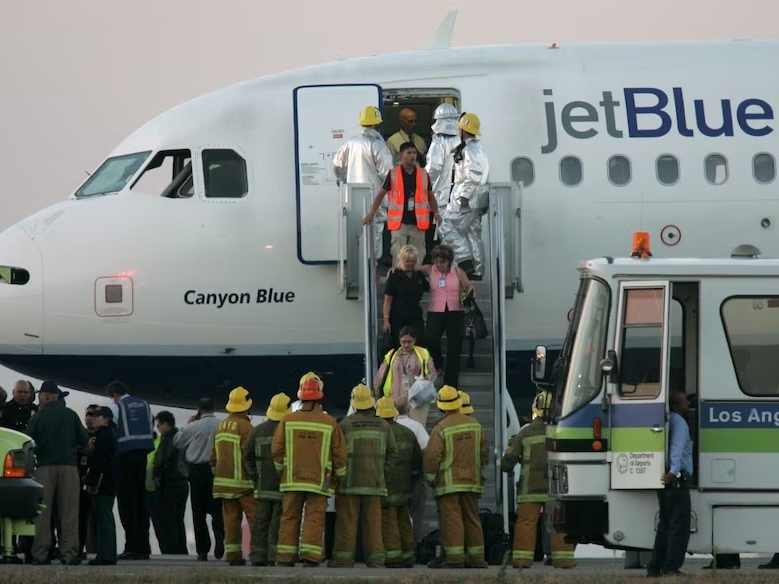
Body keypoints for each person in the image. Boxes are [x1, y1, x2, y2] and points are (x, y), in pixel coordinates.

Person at [273, 373, 347, 567]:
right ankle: (311, 557)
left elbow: (276, 450)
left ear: (301, 396)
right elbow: (339, 454)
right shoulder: (329, 422)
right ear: (319, 397)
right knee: (314, 517)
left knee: (289, 516)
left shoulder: (287, 420)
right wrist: (338, 477)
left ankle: (285, 557)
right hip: (319, 479)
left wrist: (282, 470)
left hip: (292, 479)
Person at [501, 391, 576, 569]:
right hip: (555, 488)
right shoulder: (561, 432)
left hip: (530, 489)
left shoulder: (524, 433)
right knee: (558, 523)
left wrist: (509, 463)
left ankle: (521, 560)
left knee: (526, 523)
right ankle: (564, 559)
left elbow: (507, 462)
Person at [329, 384, 397, 568]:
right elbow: (392, 454)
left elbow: (336, 454)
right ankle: (375, 560)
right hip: (375, 483)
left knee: (346, 523)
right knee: (374, 525)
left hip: (349, 484)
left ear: (354, 402)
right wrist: (383, 474)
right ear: (371, 403)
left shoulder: (345, 424)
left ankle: (343, 559)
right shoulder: (384, 425)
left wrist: (337, 479)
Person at [25, 380, 89, 565]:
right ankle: (69, 554)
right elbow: (84, 440)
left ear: (45, 396)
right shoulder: (70, 415)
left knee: (42, 514)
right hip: (69, 469)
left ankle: (40, 554)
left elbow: (28, 441)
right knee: (69, 513)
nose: (39, 399)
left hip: (44, 469)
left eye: (40, 396)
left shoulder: (38, 416)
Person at [424, 385, 488, 569]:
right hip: (472, 482)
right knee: (472, 518)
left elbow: (431, 458)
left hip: (449, 484)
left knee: (452, 520)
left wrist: (431, 479)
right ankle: (477, 559)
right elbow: (484, 453)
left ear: (441, 406)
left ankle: (454, 559)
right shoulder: (476, 425)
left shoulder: (441, 428)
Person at [362, 143, 441, 263]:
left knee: (417, 257)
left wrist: (436, 213)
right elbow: (381, 194)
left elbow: (430, 196)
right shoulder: (393, 174)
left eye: (414, 153)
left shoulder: (423, 174)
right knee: (398, 256)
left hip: (418, 223)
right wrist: (372, 213)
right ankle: (398, 279)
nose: (412, 156)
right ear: (401, 155)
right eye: (409, 153)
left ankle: (415, 280)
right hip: (399, 223)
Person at [333, 105, 393, 260]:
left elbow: (337, 165)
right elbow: (388, 173)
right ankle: (370, 273)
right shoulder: (378, 145)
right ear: (377, 124)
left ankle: (359, 272)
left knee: (356, 236)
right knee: (374, 238)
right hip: (375, 199)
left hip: (353, 197)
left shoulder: (350, 143)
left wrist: (342, 181)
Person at [646, 390, 694, 578]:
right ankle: (671, 567)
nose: (688, 404)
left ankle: (655, 567)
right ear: (675, 406)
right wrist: (673, 472)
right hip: (677, 480)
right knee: (678, 526)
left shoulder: (668, 421)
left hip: (667, 482)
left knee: (665, 526)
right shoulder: (679, 423)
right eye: (684, 402)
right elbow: (677, 447)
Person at [438, 112, 490, 280]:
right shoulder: (476, 147)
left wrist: (464, 197)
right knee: (472, 233)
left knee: (446, 226)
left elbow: (473, 175)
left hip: (466, 200)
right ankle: (478, 270)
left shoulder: (470, 149)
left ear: (463, 130)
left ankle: (464, 261)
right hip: (476, 200)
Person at [107, 380, 154, 561]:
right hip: (142, 456)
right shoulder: (145, 405)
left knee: (127, 504)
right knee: (141, 503)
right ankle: (144, 547)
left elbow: (112, 428)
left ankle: (132, 546)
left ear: (114, 394)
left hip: (125, 457)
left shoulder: (116, 407)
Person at [173, 397, 225, 561]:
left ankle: (203, 550)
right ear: (214, 408)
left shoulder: (193, 426)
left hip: (197, 471)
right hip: (218, 470)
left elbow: (178, 442)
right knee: (217, 508)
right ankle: (219, 534)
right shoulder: (222, 424)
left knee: (198, 512)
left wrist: (187, 425)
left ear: (199, 410)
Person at [211, 386, 256, 566]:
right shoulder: (246, 426)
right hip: (244, 484)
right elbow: (249, 455)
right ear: (246, 406)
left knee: (230, 521)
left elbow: (213, 458)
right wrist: (255, 477)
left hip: (223, 484)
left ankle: (233, 556)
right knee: (255, 519)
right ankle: (258, 553)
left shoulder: (220, 426)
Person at [245, 392, 291, 566]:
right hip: (282, 486)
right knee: (277, 523)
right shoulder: (288, 430)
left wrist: (255, 476)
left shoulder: (257, 431)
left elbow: (247, 456)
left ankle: (257, 556)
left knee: (260, 523)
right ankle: (273, 556)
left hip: (262, 486)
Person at [375, 396, 422, 568]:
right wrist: (412, 480)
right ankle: (408, 556)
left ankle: (393, 557)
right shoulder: (408, 433)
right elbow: (418, 461)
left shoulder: (380, 433)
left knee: (389, 522)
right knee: (404, 520)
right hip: (405, 485)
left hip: (387, 485)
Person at [421, 244, 474, 388]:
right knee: (431, 340)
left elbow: (469, 285)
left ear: (449, 261)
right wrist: (395, 268)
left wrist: (469, 293)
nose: (439, 265)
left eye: (442, 262)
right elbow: (411, 266)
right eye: (436, 261)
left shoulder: (457, 271)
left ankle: (450, 383)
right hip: (435, 311)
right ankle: (437, 363)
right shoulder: (430, 270)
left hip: (455, 311)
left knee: (454, 347)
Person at [374, 325, 437, 427]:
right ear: (399, 341)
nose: (407, 345)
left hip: (417, 400)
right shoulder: (392, 354)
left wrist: (424, 380)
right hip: (394, 399)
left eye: (409, 341)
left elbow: (433, 373)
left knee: (416, 431)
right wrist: (377, 395)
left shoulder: (423, 353)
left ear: (414, 340)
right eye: (404, 342)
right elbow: (380, 376)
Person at [83, 406, 119, 566]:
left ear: (106, 419)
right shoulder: (109, 435)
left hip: (102, 482)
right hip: (109, 482)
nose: (93, 419)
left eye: (97, 416)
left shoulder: (103, 436)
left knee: (103, 517)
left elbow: (99, 461)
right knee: (107, 518)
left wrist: (90, 479)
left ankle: (104, 556)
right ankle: (109, 554)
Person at [425, 103, 461, 260]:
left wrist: (423, 186)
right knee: (460, 235)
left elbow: (433, 168)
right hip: (459, 196)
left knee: (446, 236)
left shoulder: (439, 142)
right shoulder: (462, 141)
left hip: (442, 198)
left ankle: (452, 272)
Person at [153, 411, 189, 554]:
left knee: (169, 519)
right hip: (183, 482)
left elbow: (164, 459)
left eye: (159, 425)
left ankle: (173, 550)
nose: (158, 429)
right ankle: (181, 549)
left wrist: (157, 474)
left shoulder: (168, 439)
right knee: (179, 519)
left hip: (170, 483)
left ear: (166, 424)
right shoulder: (181, 436)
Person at [381, 245, 430, 349]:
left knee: (420, 344)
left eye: (412, 261)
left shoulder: (419, 276)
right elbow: (387, 300)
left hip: (415, 316)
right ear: (401, 260)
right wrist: (386, 320)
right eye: (407, 261)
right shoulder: (394, 276)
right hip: (398, 317)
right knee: (399, 347)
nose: (410, 264)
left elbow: (430, 286)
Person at [395, 403, 430, 545]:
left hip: (390, 479)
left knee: (392, 515)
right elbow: (426, 451)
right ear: (408, 410)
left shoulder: (385, 427)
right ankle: (412, 547)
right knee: (415, 514)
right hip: (414, 479)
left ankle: (392, 548)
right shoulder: (416, 426)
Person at [78, 404, 99, 560]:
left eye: (92, 415)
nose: (89, 418)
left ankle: (97, 549)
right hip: (80, 480)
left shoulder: (103, 435)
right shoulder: (81, 434)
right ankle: (80, 548)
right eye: (87, 415)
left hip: (97, 481)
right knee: (81, 517)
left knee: (97, 516)